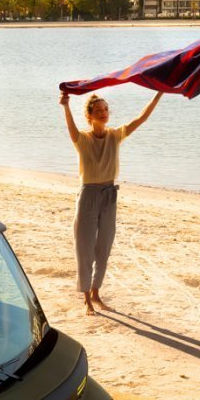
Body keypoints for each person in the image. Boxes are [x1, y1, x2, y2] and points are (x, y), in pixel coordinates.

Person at [60, 89, 163, 315]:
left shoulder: (116, 135)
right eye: (99, 110)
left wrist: (158, 94)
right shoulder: (82, 139)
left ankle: (96, 293)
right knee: (85, 248)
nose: (104, 112)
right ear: (89, 116)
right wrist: (66, 106)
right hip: (88, 195)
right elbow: (71, 127)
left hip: (109, 195)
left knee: (104, 246)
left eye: (106, 109)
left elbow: (141, 119)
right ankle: (86, 298)